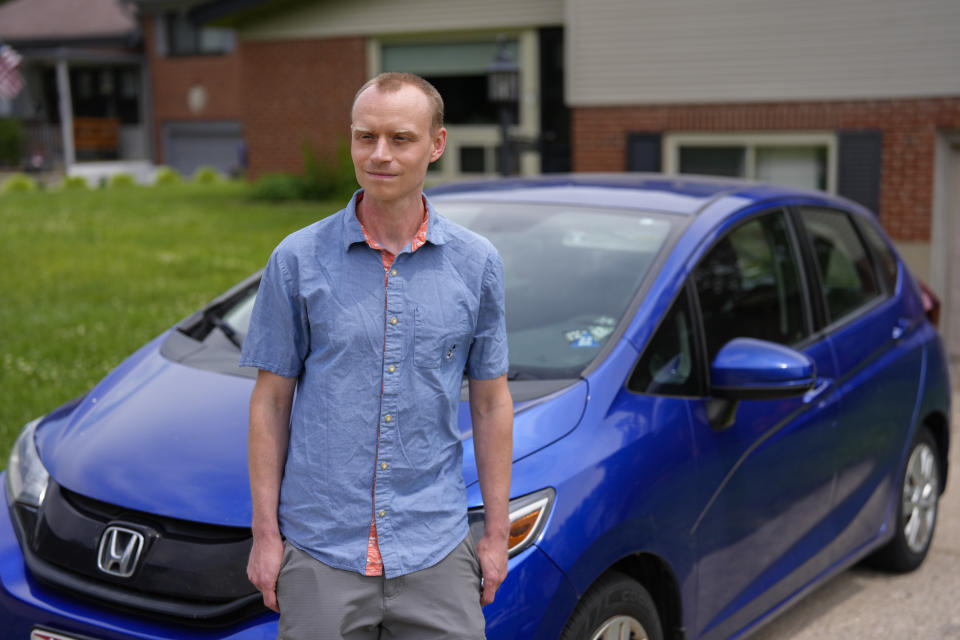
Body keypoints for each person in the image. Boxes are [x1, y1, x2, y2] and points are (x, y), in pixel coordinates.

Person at [239, 72, 514, 639]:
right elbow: (270, 403)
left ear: (436, 144)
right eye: (366, 137)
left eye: (401, 139)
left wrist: (495, 533)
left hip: (434, 546)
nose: (380, 154)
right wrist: (265, 536)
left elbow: (490, 403)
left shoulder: (477, 264)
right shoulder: (297, 260)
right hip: (321, 551)